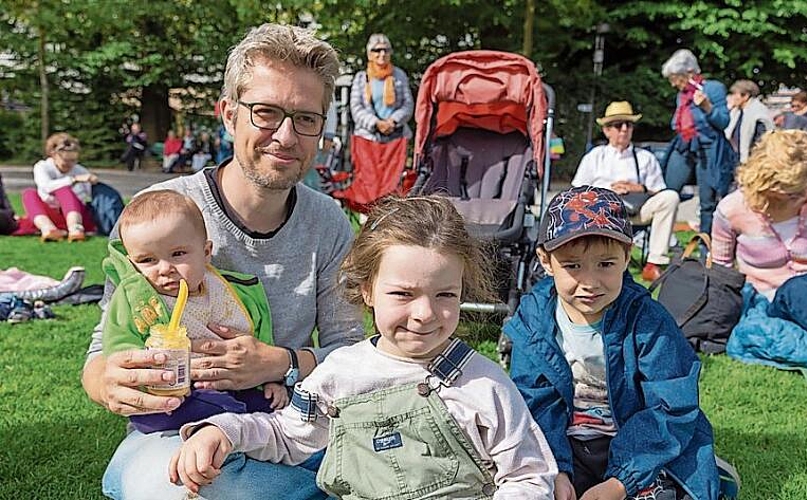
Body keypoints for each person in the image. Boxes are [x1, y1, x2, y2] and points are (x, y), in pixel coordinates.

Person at [81, 23, 363, 500]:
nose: (286, 136)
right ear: (229, 115)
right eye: (266, 113)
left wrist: (282, 362)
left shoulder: (329, 222)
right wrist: (105, 380)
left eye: (306, 119)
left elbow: (353, 354)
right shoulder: (156, 213)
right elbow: (98, 357)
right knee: (188, 484)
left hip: (284, 424)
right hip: (169, 432)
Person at [169, 195, 557, 499]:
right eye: (403, 294)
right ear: (368, 290)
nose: (425, 314)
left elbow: (528, 474)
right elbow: (288, 436)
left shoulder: (483, 384)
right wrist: (222, 431)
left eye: (445, 295)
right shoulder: (341, 373)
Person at [506, 185, 720, 500]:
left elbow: (671, 406)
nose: (590, 283)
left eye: (605, 264)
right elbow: (535, 401)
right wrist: (557, 469)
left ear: (626, 256)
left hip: (636, 441)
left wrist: (619, 483)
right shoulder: (533, 321)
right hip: (566, 443)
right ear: (546, 261)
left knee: (672, 489)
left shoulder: (649, 320)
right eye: (572, 265)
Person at [102, 190, 287, 434]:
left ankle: (247, 422)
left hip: (236, 384)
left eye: (178, 254)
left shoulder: (234, 291)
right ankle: (235, 422)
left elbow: (260, 343)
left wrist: (270, 379)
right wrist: (145, 383)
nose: (165, 269)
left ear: (206, 251)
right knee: (178, 411)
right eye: (147, 260)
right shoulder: (136, 300)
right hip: (171, 397)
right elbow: (119, 345)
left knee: (272, 404)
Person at [711, 129, 807, 371]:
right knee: (798, 286)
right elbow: (721, 271)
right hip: (772, 301)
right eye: (794, 191)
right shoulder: (732, 209)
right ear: (769, 182)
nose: (805, 194)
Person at [572, 101, 680, 282]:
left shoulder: (645, 157)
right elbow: (577, 191)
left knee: (671, 197)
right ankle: (596, 260)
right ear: (606, 130)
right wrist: (607, 191)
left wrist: (639, 188)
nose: (624, 129)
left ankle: (654, 263)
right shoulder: (595, 156)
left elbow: (660, 190)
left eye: (628, 125)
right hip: (603, 213)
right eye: (618, 125)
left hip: (636, 210)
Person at [661, 48, 733, 239]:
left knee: (707, 200)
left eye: (675, 77)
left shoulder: (713, 89)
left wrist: (707, 107)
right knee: (668, 192)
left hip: (709, 147)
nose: (673, 83)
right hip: (685, 144)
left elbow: (723, 122)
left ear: (690, 73)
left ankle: (706, 246)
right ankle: (664, 238)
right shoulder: (682, 95)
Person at [21, 133, 99, 242]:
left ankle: (75, 229)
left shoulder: (80, 170)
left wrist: (93, 181)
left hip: (76, 214)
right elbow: (46, 187)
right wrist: (73, 180)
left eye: (73, 160)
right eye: (65, 159)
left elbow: (90, 194)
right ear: (54, 154)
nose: (69, 164)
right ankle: (48, 229)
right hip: (52, 212)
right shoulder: (42, 167)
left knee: (64, 190)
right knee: (29, 193)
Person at [350, 34, 413, 143]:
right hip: (367, 138)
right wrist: (376, 123)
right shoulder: (361, 78)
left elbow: (408, 104)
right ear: (369, 54)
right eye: (377, 50)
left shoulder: (399, 75)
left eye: (386, 50)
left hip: (396, 138)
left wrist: (393, 121)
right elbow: (356, 107)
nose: (382, 54)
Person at [725, 80, 774, 164]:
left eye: (734, 94)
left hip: (753, 160)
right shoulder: (737, 112)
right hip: (736, 158)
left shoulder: (758, 112)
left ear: (745, 96)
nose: (731, 97)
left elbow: (762, 139)